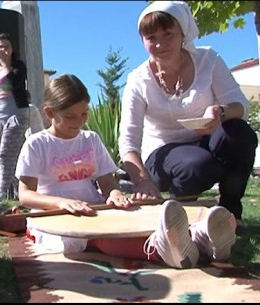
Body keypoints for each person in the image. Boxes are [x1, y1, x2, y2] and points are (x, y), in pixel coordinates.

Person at [16, 74, 237, 269]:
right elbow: (25, 195)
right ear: (49, 113)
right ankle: (169, 249)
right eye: (71, 117)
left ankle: (202, 238)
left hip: (94, 210)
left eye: (84, 114)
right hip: (55, 218)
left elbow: (108, 184)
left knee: (131, 224)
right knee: (104, 239)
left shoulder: (90, 139)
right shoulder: (37, 144)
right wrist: (61, 203)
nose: (79, 122)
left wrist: (115, 195)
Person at [118, 1, 257, 235]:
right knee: (197, 166)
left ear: (183, 33)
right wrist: (141, 180)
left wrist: (220, 111)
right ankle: (180, 214)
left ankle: (231, 211)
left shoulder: (208, 59)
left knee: (240, 134)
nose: (160, 44)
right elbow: (129, 140)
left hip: (207, 138)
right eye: (151, 37)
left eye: (168, 34)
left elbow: (240, 104)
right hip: (163, 151)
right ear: (143, 40)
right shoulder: (138, 80)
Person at [0, 33, 29, 201]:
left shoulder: (18, 67)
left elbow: (16, 81)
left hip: (16, 116)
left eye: (6, 46)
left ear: (12, 49)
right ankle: (22, 194)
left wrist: (7, 64)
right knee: (15, 157)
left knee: (4, 155)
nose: (3, 50)